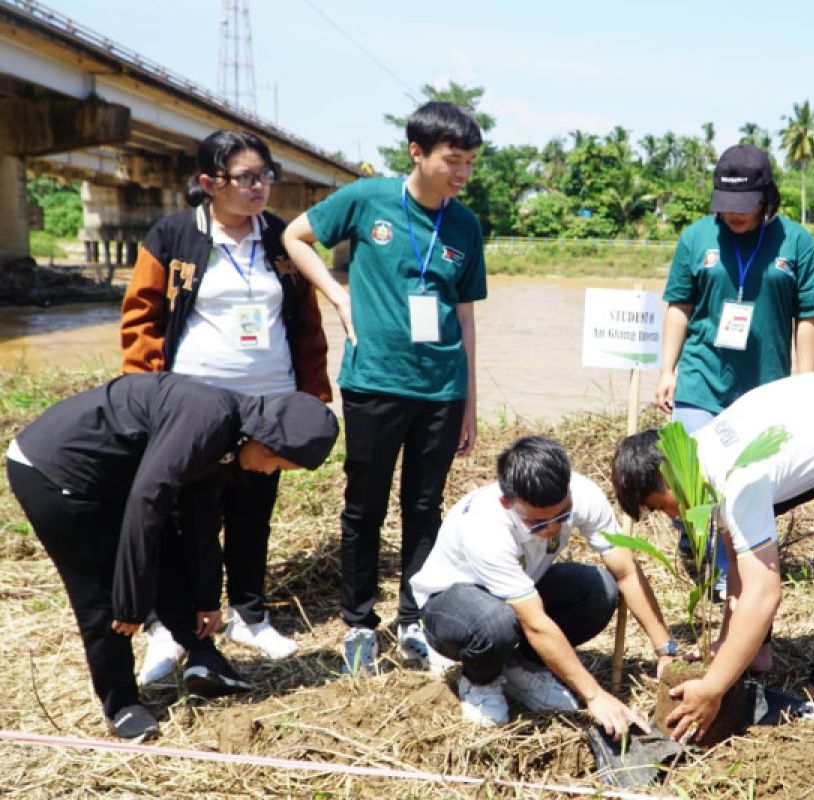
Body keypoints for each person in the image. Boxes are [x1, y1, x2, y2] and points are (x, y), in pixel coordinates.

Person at [5, 373, 339, 742]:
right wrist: (131, 605)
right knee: (102, 595)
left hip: (117, 476)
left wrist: (207, 601)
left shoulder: (229, 435)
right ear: (265, 438)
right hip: (55, 470)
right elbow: (146, 502)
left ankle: (201, 655)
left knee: (172, 550)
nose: (268, 471)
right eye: (274, 462)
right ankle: (122, 705)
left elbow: (200, 524)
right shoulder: (206, 421)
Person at [613, 370, 814, 741]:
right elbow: (739, 558)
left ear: (669, 475)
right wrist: (723, 648)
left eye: (662, 506)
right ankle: (756, 651)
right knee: (746, 542)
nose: (672, 517)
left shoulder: (736, 476)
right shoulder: (695, 456)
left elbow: (764, 592)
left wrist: (714, 688)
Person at [282, 102, 487, 675]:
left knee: (425, 509)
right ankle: (358, 623)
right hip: (374, 381)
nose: (462, 174)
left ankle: (414, 619)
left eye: (470, 163)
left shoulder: (466, 225)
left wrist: (469, 399)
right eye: (453, 161)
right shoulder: (365, 199)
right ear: (417, 153)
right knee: (363, 507)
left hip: (441, 387)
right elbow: (296, 237)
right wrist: (338, 297)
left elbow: (465, 316)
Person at [121, 130, 331, 680]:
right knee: (187, 518)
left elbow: (307, 324)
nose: (260, 186)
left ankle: (248, 613)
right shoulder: (174, 235)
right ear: (209, 183)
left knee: (253, 514)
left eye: (265, 176)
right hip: (194, 409)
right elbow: (140, 318)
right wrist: (145, 398)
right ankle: (172, 625)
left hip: (270, 405)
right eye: (246, 177)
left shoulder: (282, 238)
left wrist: (312, 396)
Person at [654, 143, 814, 593]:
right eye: (726, 206)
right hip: (701, 378)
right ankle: (714, 568)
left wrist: (806, 386)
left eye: (745, 206)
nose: (734, 216)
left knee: (748, 482)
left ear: (767, 198)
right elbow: (679, 306)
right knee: (692, 477)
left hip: (763, 388)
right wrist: (667, 369)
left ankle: (744, 560)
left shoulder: (796, 242)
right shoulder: (696, 238)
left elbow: (807, 317)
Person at [410, 436, 675, 734]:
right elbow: (534, 623)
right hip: (451, 606)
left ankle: (520, 665)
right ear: (507, 502)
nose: (551, 529)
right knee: (497, 622)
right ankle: (479, 681)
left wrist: (666, 648)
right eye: (536, 523)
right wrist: (595, 696)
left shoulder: (584, 493)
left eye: (562, 516)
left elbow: (625, 571)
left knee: (600, 590)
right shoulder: (485, 528)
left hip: (521, 592)